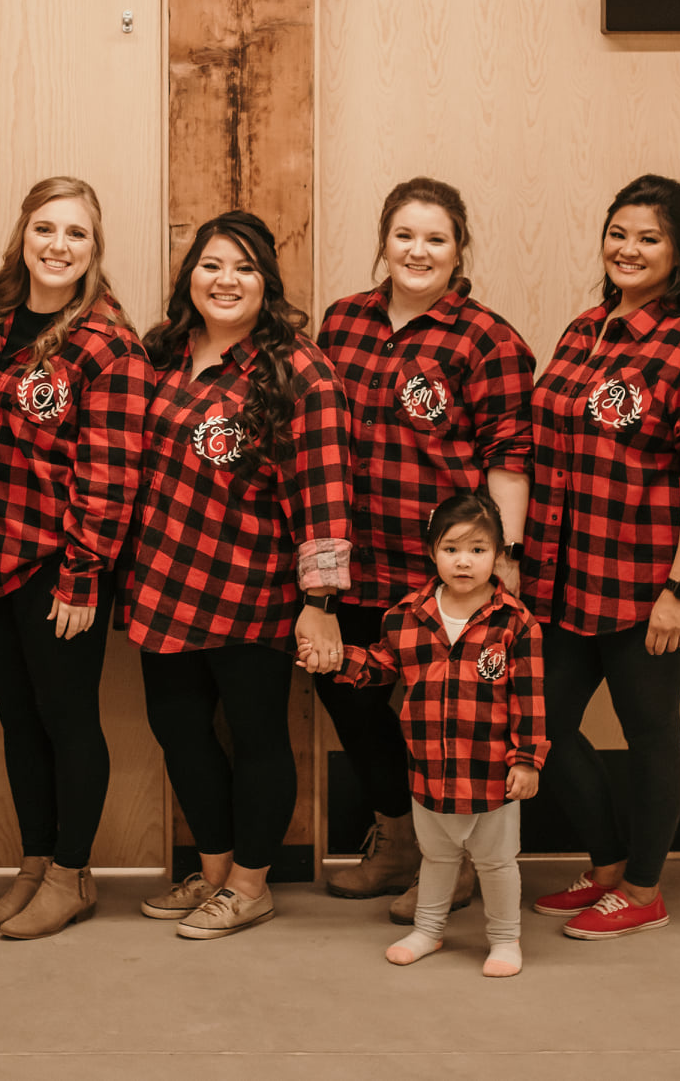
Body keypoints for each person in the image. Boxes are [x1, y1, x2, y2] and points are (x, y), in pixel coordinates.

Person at [524, 173, 680, 939]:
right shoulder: (583, 329)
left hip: (644, 581)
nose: (628, 249)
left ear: (678, 251)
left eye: (648, 238)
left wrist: (679, 591)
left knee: (649, 733)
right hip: (561, 573)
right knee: (542, 726)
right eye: (618, 233)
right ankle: (608, 867)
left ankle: (644, 890)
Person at [123, 210, 354, 939]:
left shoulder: (298, 370)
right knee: (178, 730)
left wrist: (320, 601)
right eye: (212, 265)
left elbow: (324, 492)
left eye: (244, 268)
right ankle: (215, 870)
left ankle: (252, 885)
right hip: (162, 582)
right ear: (190, 275)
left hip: (252, 588)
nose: (226, 281)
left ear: (267, 283)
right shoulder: (163, 352)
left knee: (256, 737)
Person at [313, 177, 535, 923]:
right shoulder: (342, 321)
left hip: (442, 568)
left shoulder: (488, 339)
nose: (418, 251)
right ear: (383, 241)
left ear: (458, 249)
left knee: (448, 718)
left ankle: (459, 865)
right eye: (404, 235)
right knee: (347, 693)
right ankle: (399, 842)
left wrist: (503, 563)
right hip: (352, 557)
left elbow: (508, 458)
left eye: (435, 238)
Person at [0, 177, 153, 939]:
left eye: (75, 233)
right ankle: (35, 864)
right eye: (45, 228)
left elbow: (110, 473)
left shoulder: (108, 344)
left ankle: (72, 874)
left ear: (93, 248)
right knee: (17, 720)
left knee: (66, 718)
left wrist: (82, 573)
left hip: (57, 564)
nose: (57, 245)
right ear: (23, 234)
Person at [303, 491, 546, 977]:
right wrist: (335, 660)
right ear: (432, 552)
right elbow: (380, 666)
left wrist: (527, 760)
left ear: (498, 555)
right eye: (452, 549)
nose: (464, 561)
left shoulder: (515, 622)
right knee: (436, 857)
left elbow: (531, 699)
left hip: (491, 773)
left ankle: (504, 939)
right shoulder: (406, 616)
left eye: (478, 550)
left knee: (496, 863)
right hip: (428, 769)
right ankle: (427, 931)